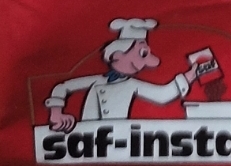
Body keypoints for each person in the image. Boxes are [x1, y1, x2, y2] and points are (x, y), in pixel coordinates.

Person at [44, 18, 199, 132]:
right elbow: (62, 87)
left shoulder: (132, 85)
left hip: (116, 139)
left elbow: (161, 95)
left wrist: (189, 76)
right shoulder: (96, 80)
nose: (148, 62)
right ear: (118, 54)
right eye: (143, 53)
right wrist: (56, 115)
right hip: (84, 142)